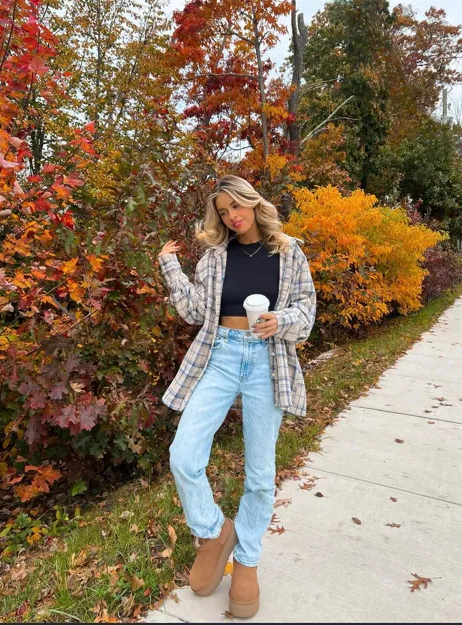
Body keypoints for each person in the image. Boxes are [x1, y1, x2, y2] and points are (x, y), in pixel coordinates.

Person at [157, 174, 317, 618]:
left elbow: (306, 312)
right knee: (183, 455)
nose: (232, 216)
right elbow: (193, 311)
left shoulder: (289, 251)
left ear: (253, 202)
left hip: (268, 359)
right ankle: (213, 532)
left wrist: (280, 321)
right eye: (224, 211)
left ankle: (246, 559)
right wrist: (170, 267)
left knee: (260, 474)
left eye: (237, 205)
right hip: (220, 356)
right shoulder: (214, 257)